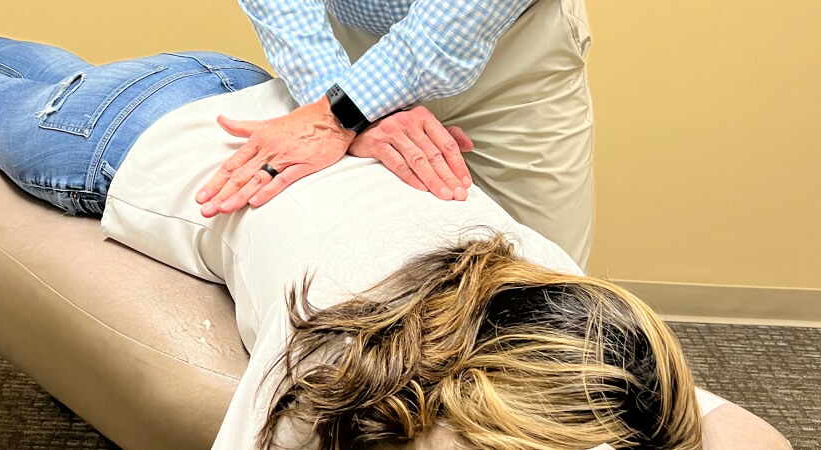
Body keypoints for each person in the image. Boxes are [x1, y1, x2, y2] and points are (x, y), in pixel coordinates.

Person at [0, 11, 713, 449]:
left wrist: (344, 110)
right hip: (150, 131)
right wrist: (346, 105)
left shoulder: (563, 294)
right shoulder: (335, 348)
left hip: (263, 86)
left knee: (73, 88)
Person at [197, 0, 595, 269]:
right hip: (343, 45)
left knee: (544, 280)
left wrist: (343, 110)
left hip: (510, 43)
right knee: (372, 266)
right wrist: (335, 94)